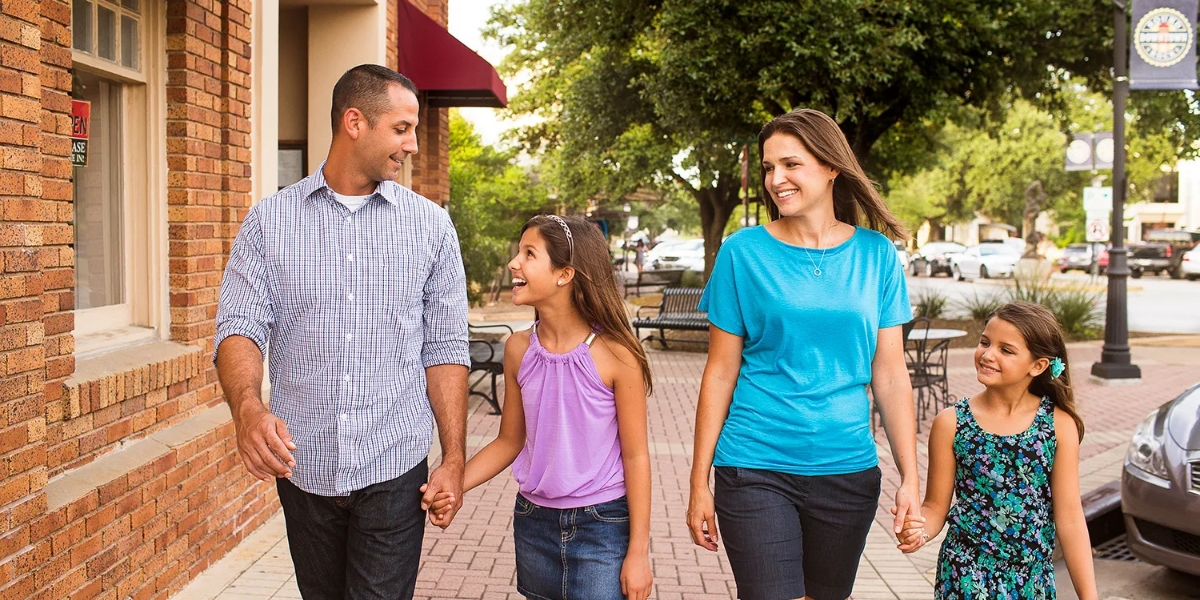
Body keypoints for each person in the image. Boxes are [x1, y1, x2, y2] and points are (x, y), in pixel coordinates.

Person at [214, 64, 470, 599]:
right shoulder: (270, 223)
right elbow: (239, 325)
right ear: (355, 122)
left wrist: (453, 459)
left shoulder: (430, 227)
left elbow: (445, 348)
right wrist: (247, 407)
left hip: (395, 471)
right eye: (401, 129)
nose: (413, 145)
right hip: (304, 472)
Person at [686, 108, 922, 600]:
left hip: (848, 469)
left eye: (790, 164)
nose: (776, 179)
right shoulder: (742, 253)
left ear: (831, 166)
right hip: (754, 464)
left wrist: (909, 478)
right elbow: (720, 372)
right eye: (769, 168)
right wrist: (699, 482)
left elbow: (892, 375)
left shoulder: (876, 255)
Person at [425, 215, 654, 600]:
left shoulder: (616, 353)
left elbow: (636, 457)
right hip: (533, 523)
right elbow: (509, 441)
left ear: (565, 274)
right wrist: (452, 485)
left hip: (603, 524)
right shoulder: (518, 349)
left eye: (529, 254)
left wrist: (638, 553)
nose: (514, 262)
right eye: (519, 252)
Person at [899, 302, 1099, 599]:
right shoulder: (951, 423)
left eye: (1006, 350)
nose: (988, 354)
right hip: (965, 575)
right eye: (984, 342)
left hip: (1032, 581)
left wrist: (1089, 596)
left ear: (1038, 365)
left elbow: (1069, 518)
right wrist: (918, 531)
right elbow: (935, 507)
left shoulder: (1058, 425)